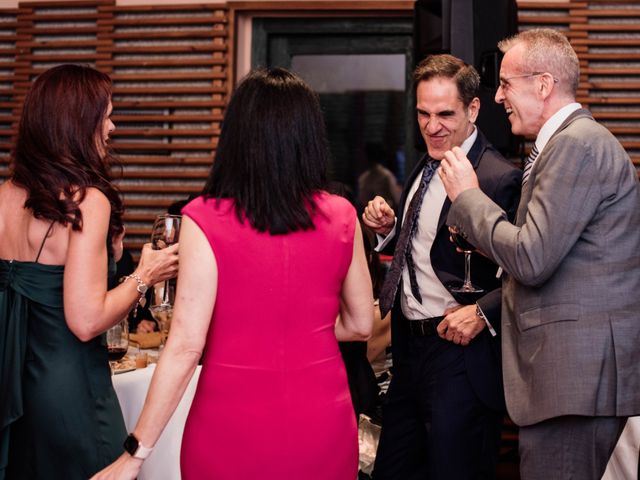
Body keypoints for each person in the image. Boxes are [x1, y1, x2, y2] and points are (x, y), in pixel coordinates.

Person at [91, 67, 374, 480]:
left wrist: (135, 454)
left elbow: (187, 346)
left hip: (229, 427)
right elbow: (360, 323)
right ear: (310, 138)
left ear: (237, 139)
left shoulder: (204, 219)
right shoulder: (342, 215)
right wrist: (297, 332)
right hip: (321, 421)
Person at [439, 28, 640, 479]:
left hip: (575, 379)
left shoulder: (576, 145)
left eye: (507, 84)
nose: (498, 97)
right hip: (571, 379)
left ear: (544, 84)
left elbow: (531, 258)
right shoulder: (566, 144)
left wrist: (469, 199)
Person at [0, 64, 178, 479]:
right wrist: (144, 275)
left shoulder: (3, 197)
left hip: (12, 390)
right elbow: (86, 320)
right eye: (106, 116)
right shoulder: (86, 201)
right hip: (70, 394)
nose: (112, 127)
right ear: (78, 124)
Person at [362, 54, 522, 479]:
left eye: (445, 114)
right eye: (423, 113)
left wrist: (484, 311)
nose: (432, 126)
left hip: (460, 354)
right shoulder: (426, 163)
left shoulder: (499, 176)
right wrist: (389, 230)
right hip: (409, 352)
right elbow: (428, 246)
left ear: (472, 109)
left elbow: (528, 265)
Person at [357, 142, 402, 213]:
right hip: (372, 214)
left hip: (384, 214)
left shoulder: (364, 177)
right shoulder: (386, 175)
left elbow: (398, 199)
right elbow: (398, 198)